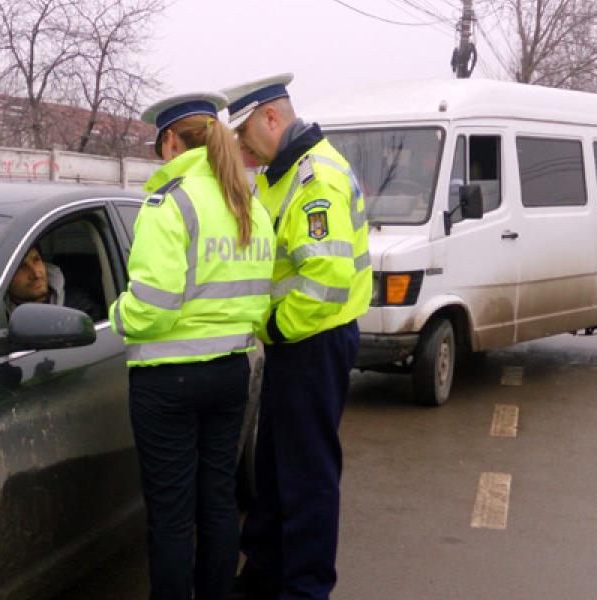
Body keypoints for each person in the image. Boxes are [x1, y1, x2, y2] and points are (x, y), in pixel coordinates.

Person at [110, 91, 275, 600]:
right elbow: (259, 300)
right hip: (230, 374)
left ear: (169, 142)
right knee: (218, 502)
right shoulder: (250, 206)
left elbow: (153, 307)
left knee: (172, 515)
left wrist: (117, 314)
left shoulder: (170, 203)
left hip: (167, 382)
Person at [222, 73, 372, 600]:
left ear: (271, 118)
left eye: (244, 136)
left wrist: (271, 326)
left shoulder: (315, 180)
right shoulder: (283, 174)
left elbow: (325, 282)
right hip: (297, 343)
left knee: (307, 475)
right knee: (274, 466)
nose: (242, 149)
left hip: (312, 341)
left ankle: (306, 588)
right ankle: (264, 574)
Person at [6, 243, 99, 318]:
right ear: (6, 277)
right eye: (21, 266)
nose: (36, 274)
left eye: (36, 260)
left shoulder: (78, 307)